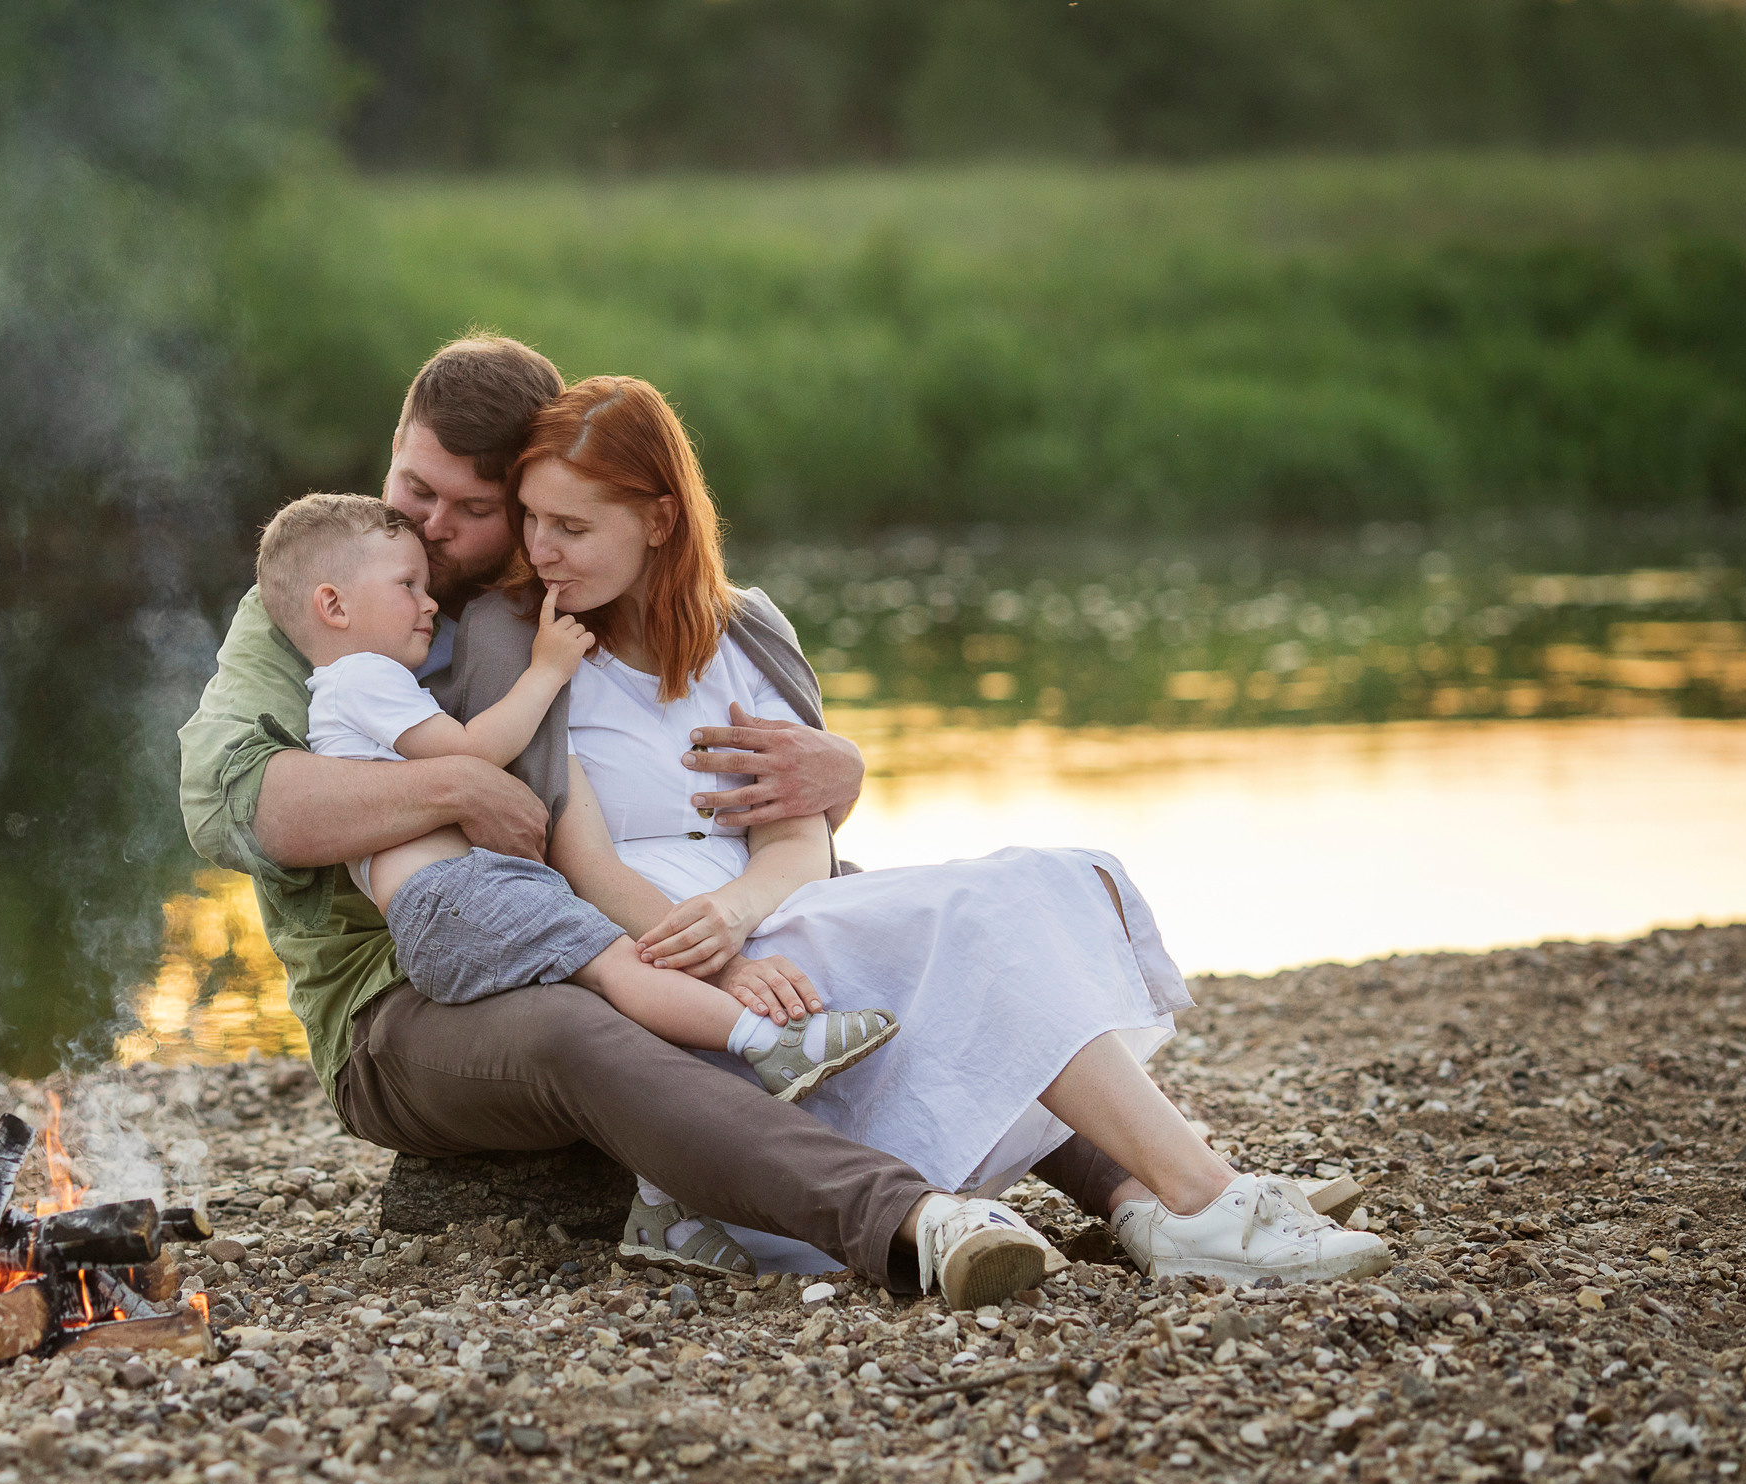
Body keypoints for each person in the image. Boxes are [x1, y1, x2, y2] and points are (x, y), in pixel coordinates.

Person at [506, 374, 1395, 1289]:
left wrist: (736, 914)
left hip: (776, 916)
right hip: (677, 969)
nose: (541, 549)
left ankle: (1187, 1197)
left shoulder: (744, 633)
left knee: (1043, 881)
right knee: (981, 919)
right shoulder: (539, 655)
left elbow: (797, 841)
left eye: (571, 526)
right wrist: (713, 952)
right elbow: (585, 864)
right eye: (531, 518)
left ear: (660, 519)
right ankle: (1207, 1204)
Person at [250, 488, 900, 1101]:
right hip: (449, 897)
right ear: (334, 607)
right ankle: (766, 1041)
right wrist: (547, 670)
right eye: (408, 586)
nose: (428, 604)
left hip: (465, 891)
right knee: (620, 965)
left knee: (619, 967)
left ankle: (738, 1079)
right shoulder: (362, 677)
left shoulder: (360, 683)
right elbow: (473, 750)